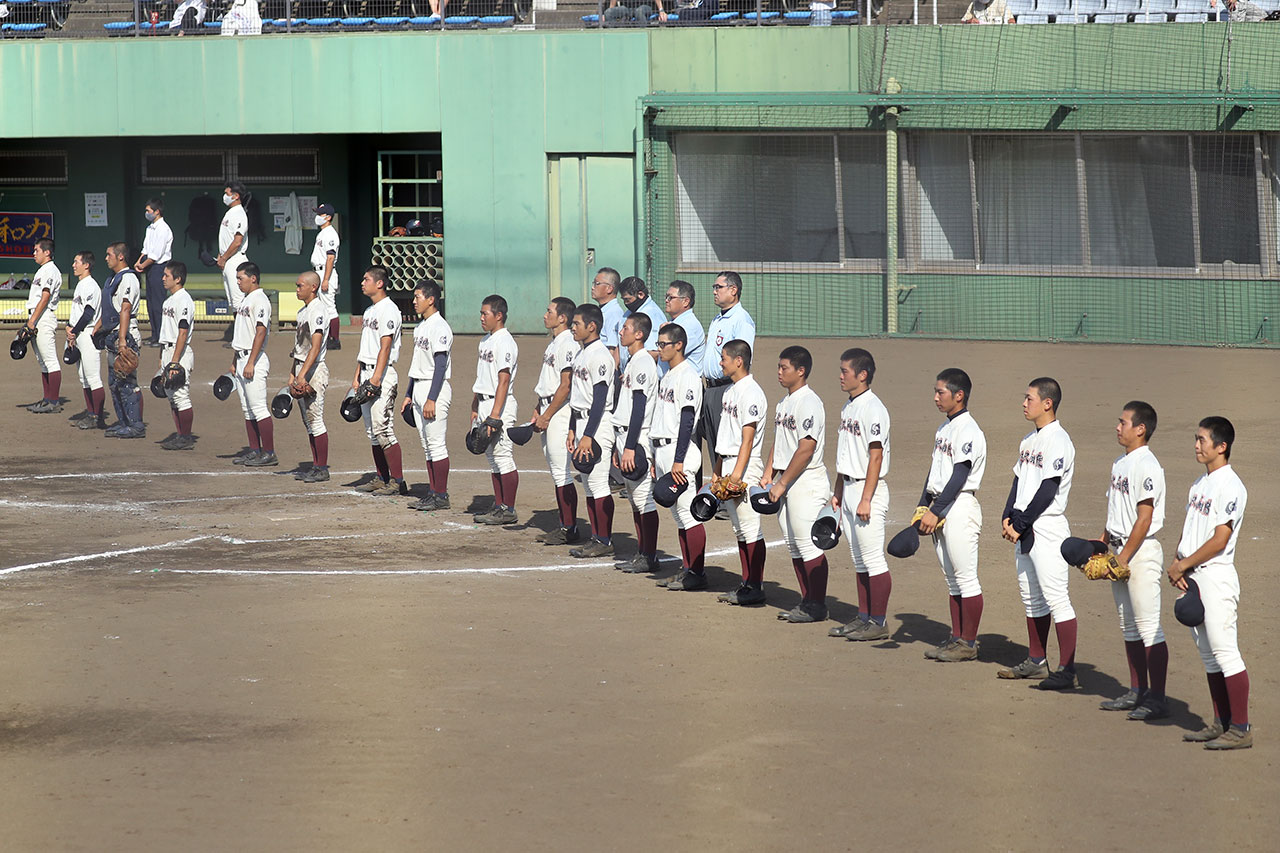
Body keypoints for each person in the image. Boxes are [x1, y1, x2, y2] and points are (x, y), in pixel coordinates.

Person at [1169, 417, 1252, 750]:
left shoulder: (1231, 486)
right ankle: (1221, 723)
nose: (1196, 445)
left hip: (1216, 576)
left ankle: (1241, 728)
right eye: (1196, 439)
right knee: (1208, 655)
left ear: (1222, 446)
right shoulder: (1198, 485)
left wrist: (1184, 564)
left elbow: (1220, 539)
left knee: (1225, 652)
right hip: (1193, 576)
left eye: (1203, 440)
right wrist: (1179, 565)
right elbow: (1191, 530)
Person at [998, 377, 1079, 690]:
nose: (1024, 403)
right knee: (1032, 599)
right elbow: (1019, 482)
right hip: (1025, 526)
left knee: (1057, 599)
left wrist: (1020, 524)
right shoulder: (1028, 440)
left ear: (1048, 403)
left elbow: (1049, 489)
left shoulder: (1058, 440)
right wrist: (1007, 515)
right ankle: (1036, 661)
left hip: (1047, 528)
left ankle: (1068, 670)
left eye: (1029, 398)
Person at [1095, 401, 1169, 719]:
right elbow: (1116, 514)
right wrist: (1102, 545)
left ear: (1140, 429)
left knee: (1148, 626)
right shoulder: (1119, 463)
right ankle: (1136, 691)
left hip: (1140, 553)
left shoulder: (1147, 465)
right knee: (1129, 627)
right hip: (1120, 551)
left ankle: (1157, 698)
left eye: (1123, 422)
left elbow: (1144, 518)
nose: (1117, 426)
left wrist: (1123, 558)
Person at [915, 368, 987, 662]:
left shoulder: (969, 430)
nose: (935, 397)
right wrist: (923, 506)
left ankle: (968, 643)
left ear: (959, 395)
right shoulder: (944, 429)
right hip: (941, 506)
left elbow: (960, 475)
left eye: (940, 392)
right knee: (952, 579)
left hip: (958, 507)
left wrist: (935, 510)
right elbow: (935, 472)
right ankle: (956, 638)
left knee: (966, 578)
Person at [827, 348, 894, 642]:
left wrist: (866, 497)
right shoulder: (848, 407)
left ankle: (878, 622)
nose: (840, 376)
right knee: (858, 559)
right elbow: (845, 454)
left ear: (862, 375)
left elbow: (875, 457)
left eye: (845, 371)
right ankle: (863, 617)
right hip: (850, 489)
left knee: (873, 559)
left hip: (870, 491)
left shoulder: (874, 409)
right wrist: (839, 491)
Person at [764, 345, 832, 623]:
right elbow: (780, 441)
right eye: (779, 367)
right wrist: (769, 471)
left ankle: (817, 605)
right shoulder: (785, 402)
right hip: (787, 480)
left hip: (806, 482)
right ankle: (806, 601)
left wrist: (781, 484)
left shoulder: (809, 402)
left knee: (808, 545)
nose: (779, 372)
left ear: (800, 371)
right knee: (793, 545)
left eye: (784, 368)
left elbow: (806, 449)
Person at [712, 340, 768, 606]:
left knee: (750, 527)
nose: (720, 362)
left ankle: (754, 585)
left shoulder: (752, 393)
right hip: (729, 464)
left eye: (724, 357)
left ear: (738, 361)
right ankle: (746, 583)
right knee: (739, 530)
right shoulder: (731, 392)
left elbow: (748, 438)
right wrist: (717, 470)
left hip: (745, 466)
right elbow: (725, 436)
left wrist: (736, 475)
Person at [651, 323, 706, 590]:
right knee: (678, 515)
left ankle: (696, 573)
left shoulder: (688, 376)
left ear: (679, 345)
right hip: (664, 451)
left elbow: (687, 420)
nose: (659, 348)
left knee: (688, 514)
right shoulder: (669, 374)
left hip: (678, 453)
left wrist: (678, 460)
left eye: (663, 344)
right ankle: (687, 569)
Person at [567, 304, 618, 558]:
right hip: (583, 423)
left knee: (598, 483)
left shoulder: (600, 355)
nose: (572, 327)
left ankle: (604, 540)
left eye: (576, 323)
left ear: (592, 326)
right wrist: (571, 429)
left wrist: (588, 434)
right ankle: (596, 537)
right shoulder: (582, 353)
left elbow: (599, 399)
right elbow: (577, 398)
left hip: (597, 425)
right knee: (588, 484)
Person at [350, 266, 405, 496]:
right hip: (367, 373)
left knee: (384, 430)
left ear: (379, 283)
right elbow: (367, 348)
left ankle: (398, 481)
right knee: (372, 432)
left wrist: (375, 380)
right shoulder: (371, 310)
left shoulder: (388, 310)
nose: (362, 283)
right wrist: (357, 375)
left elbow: (385, 346)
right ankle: (382, 477)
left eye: (366, 279)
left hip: (382, 375)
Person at [612, 313, 661, 574]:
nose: (621, 332)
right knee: (634, 500)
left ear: (639, 334)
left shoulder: (643, 363)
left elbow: (640, 408)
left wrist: (630, 446)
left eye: (626, 329)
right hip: (625, 436)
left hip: (637, 436)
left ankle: (649, 555)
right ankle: (642, 552)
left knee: (644, 500)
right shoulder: (633, 362)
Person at [532, 297, 580, 543]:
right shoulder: (554, 343)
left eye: (549, 311)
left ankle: (569, 528)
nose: (545, 315)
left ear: (562, 317)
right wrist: (537, 409)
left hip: (560, 411)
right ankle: (565, 524)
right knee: (555, 470)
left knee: (562, 472)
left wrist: (548, 414)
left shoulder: (568, 344)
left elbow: (566, 385)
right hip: (548, 406)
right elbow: (548, 381)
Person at [403, 280, 453, 508]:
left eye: (418, 297)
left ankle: (441, 495)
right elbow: (416, 364)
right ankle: (433, 492)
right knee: (426, 444)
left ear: (431, 299)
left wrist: (432, 398)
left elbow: (440, 366)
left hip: (435, 388)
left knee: (436, 444)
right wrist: (409, 393)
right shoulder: (421, 327)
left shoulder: (440, 327)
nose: (414, 301)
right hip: (420, 388)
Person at [472, 294, 520, 525]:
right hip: (484, 402)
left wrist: (495, 415)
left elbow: (503, 380)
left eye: (485, 313)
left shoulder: (505, 342)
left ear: (498, 315)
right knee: (491, 457)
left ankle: (508, 509)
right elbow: (482, 376)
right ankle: (499, 505)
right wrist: (475, 406)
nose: (481, 317)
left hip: (499, 405)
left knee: (503, 457)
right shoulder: (485, 340)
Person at [90, 242, 144, 438]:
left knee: (127, 382)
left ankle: (136, 426)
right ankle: (124, 422)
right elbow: (110, 309)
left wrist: (122, 340)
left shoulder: (128, 279)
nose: (106, 258)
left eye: (109, 254)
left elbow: (126, 309)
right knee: (114, 383)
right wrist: (98, 326)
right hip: (114, 334)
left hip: (126, 334)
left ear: (120, 256)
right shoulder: (114, 279)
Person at [700, 271, 755, 459]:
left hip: (725, 388)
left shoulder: (741, 320)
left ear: (733, 290)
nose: (714, 291)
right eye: (714, 288)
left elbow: (741, 358)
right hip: (710, 389)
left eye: (718, 287)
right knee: (714, 446)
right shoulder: (717, 319)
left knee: (726, 449)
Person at [229, 262, 276, 466]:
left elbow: (260, 331)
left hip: (253, 360)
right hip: (242, 358)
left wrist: (250, 362)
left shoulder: (260, 300)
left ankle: (269, 453)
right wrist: (235, 360)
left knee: (258, 408)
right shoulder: (246, 300)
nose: (238, 282)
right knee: (247, 409)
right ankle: (255, 450)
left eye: (241, 278)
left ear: (253, 278)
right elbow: (242, 333)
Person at [290, 272, 331, 483]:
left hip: (314, 370)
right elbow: (299, 348)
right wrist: (293, 374)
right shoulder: (302, 312)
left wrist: (303, 375)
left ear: (313, 287)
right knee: (308, 421)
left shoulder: (318, 311)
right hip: (302, 369)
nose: (297, 289)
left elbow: (315, 347)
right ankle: (316, 465)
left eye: (300, 286)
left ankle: (321, 467)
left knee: (316, 420)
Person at [157, 261, 196, 451]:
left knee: (181, 397)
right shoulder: (168, 301)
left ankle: (186, 437)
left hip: (179, 353)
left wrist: (174, 361)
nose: (163, 278)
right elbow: (166, 332)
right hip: (168, 351)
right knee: (171, 396)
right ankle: (180, 435)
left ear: (178, 279)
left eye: (167, 275)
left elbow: (182, 331)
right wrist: (162, 357)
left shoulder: (184, 300)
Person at [66, 250, 105, 431]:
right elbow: (77, 312)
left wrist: (73, 331)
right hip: (78, 334)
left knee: (93, 378)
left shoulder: (91, 285)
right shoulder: (81, 285)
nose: (74, 265)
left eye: (76, 262)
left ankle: (97, 417)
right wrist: (69, 328)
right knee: (84, 378)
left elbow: (89, 313)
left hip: (88, 335)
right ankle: (91, 413)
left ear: (86, 265)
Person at [24, 238, 63, 414]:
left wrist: (32, 321)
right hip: (37, 316)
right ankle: (47, 399)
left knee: (50, 360)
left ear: (47, 252)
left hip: (43, 317)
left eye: (37, 250)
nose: (34, 253)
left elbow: (45, 297)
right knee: (42, 362)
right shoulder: (42, 270)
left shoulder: (50, 270)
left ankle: (53, 401)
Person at [135, 198, 173, 349]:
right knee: (150, 303)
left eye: (149, 211)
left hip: (159, 267)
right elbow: (146, 249)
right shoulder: (150, 228)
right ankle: (154, 334)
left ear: (157, 212)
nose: (147, 213)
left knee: (158, 304)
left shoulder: (163, 229)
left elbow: (156, 254)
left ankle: (162, 337)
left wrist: (143, 265)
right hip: (149, 267)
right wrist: (139, 262)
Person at [216, 182, 251, 344]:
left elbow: (237, 241)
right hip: (228, 260)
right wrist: (221, 254)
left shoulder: (239, 213)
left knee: (239, 303)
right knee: (233, 302)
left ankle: (243, 337)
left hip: (236, 259)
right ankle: (239, 337)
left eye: (227, 192)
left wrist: (224, 257)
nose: (225, 195)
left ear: (236, 196)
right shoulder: (230, 212)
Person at [311, 203, 343, 351]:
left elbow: (330, 258)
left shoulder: (330, 233)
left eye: (320, 214)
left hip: (326, 272)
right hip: (319, 271)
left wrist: (325, 279)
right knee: (321, 307)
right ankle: (325, 336)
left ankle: (334, 339)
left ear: (328, 217)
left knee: (330, 307)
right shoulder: (322, 233)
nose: (317, 217)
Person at [618, 276, 665, 368]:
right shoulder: (628, 313)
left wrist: (633, 367)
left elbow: (655, 352)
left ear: (640, 294)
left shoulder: (652, 314)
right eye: (624, 300)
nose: (626, 304)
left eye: (628, 300)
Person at [663, 280, 704, 377]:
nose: (666, 300)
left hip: (684, 384)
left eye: (670, 297)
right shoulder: (674, 322)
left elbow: (669, 351)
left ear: (686, 301)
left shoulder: (689, 324)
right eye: (666, 297)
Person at [591, 267, 626, 368]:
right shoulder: (604, 310)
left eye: (596, 284)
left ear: (609, 288)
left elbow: (613, 349)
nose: (593, 287)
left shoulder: (614, 313)